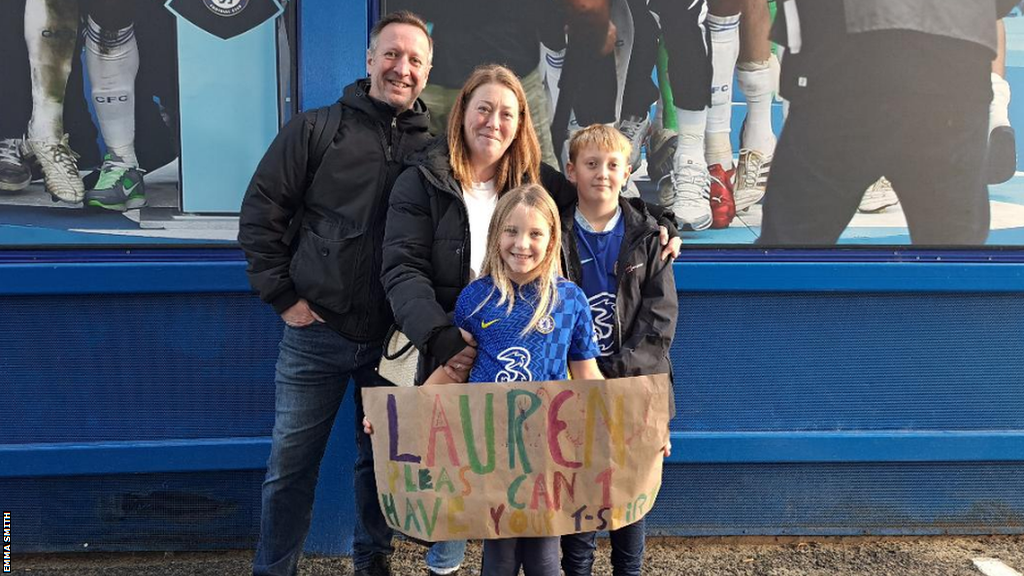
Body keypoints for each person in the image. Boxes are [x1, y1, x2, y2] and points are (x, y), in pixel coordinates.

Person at [238, 11, 440, 576]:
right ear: (370, 59)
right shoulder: (315, 129)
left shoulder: (439, 149)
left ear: (428, 71)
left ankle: (371, 566)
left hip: (393, 345)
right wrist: (282, 296)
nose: (402, 68)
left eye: (415, 60)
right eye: (392, 54)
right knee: (290, 467)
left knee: (382, 468)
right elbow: (260, 216)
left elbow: (526, 185)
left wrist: (646, 219)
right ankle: (274, 569)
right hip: (315, 335)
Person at [417, 184, 605, 576]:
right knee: (499, 557)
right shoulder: (476, 298)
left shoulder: (570, 300)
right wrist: (395, 415)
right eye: (512, 231)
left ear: (552, 238)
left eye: (535, 233)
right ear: (495, 234)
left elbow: (588, 375)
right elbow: (455, 369)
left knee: (544, 557)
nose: (522, 244)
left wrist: (637, 426)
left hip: (547, 453)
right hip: (493, 452)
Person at [758, 0, 1015, 246]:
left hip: (841, 63)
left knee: (789, 249)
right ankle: (998, 106)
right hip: (954, 65)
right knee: (954, 257)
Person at [557, 124, 677, 576]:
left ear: (628, 171)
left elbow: (660, 322)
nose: (602, 174)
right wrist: (582, 370)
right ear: (572, 171)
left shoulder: (650, 237)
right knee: (580, 495)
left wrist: (613, 372)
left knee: (628, 497)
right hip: (575, 385)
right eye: (591, 164)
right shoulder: (557, 230)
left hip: (635, 388)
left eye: (612, 165)